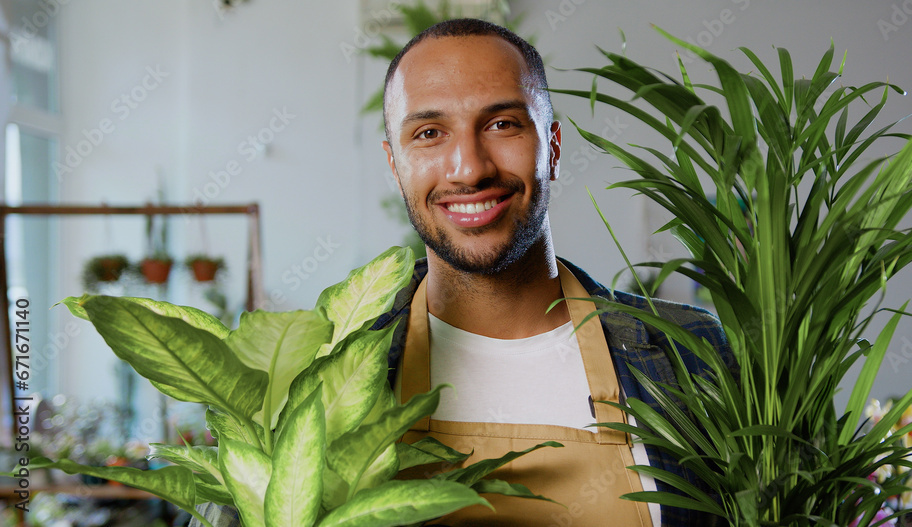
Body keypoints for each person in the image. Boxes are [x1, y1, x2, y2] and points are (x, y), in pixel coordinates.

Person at [193, 18, 731, 527]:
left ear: (554, 148)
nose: (470, 168)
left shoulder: (690, 354)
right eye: (429, 133)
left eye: (502, 124)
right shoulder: (320, 380)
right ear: (393, 164)